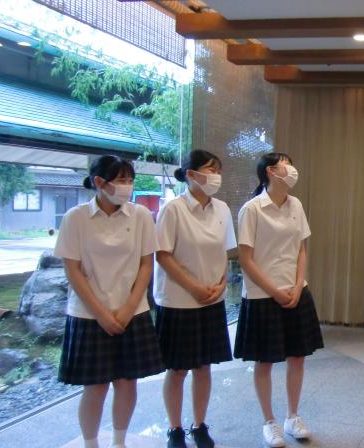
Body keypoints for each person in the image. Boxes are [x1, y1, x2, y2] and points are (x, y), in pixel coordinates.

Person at [54, 155, 163, 448]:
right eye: (121, 180)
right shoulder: (76, 217)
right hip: (89, 314)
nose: (127, 185)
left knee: (127, 381)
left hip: (132, 311)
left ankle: (119, 442)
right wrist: (101, 313)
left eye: (130, 180)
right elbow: (72, 269)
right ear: (100, 182)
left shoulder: (140, 215)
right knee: (96, 386)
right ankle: (91, 443)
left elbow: (146, 265)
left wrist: (129, 308)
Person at [235, 152, 324, 448]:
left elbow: (301, 249)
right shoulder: (252, 209)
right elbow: (246, 259)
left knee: (297, 356)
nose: (291, 168)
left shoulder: (295, 204)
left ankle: (292, 416)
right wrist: (275, 291)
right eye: (285, 164)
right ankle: (269, 422)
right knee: (265, 361)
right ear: (270, 171)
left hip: (296, 291)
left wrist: (298, 286)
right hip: (263, 295)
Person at [154, 150, 236, 448]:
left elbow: (224, 252)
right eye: (210, 170)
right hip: (179, 301)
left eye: (219, 170)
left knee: (204, 367)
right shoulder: (173, 209)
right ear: (190, 174)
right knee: (177, 369)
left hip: (212, 299)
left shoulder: (222, 209)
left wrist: (221, 284)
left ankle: (199, 425)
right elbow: (163, 255)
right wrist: (193, 287)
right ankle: (174, 429)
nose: (216, 176)